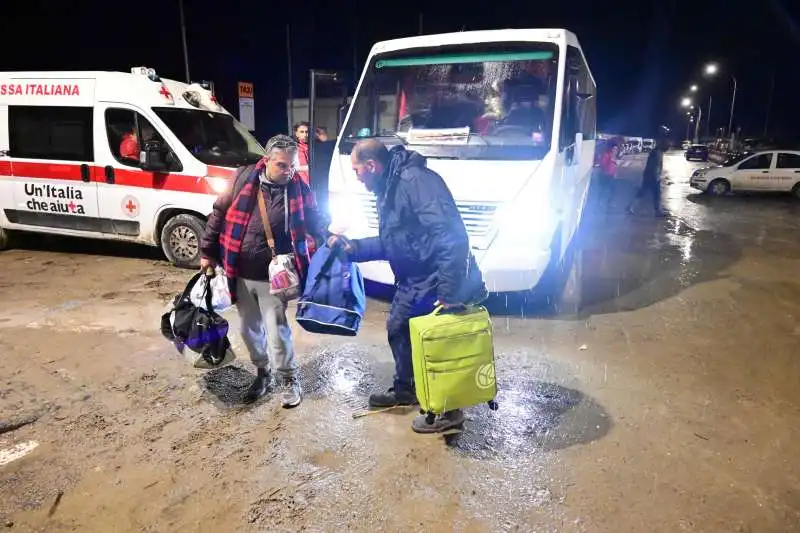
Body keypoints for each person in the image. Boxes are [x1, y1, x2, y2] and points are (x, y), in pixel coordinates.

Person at [329, 139, 487, 434]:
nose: (357, 176)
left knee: (437, 344)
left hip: (435, 277)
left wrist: (449, 292)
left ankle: (448, 411)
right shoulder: (387, 187)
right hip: (413, 279)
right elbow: (398, 242)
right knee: (398, 329)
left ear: (372, 166)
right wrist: (355, 249)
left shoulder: (416, 182)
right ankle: (407, 390)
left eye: (357, 170)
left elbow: (452, 237)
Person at [199, 134, 329, 407]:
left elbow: (316, 221)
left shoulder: (299, 188)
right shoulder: (242, 179)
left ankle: (288, 378)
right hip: (240, 271)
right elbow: (217, 216)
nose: (288, 171)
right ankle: (262, 372)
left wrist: (326, 240)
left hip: (275, 278)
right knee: (248, 330)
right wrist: (207, 253)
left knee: (277, 331)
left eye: (292, 165)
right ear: (267, 161)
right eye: (282, 165)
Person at [627, 137, 666, 217]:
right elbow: (654, 166)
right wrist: (656, 176)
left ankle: (630, 206)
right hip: (652, 176)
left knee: (643, 192)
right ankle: (657, 211)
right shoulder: (657, 152)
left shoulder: (658, 152)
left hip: (650, 176)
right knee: (655, 194)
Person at [596, 141, 618, 210]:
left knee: (613, 190)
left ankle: (610, 202)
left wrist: (615, 173)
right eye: (614, 149)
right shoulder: (606, 154)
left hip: (611, 175)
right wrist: (609, 161)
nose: (615, 150)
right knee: (604, 190)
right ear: (611, 148)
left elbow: (614, 166)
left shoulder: (613, 155)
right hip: (605, 175)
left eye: (616, 149)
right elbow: (602, 164)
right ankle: (599, 203)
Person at [291, 122, 311, 187]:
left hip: (314, 181)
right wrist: (311, 167)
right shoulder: (293, 149)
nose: (305, 134)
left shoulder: (312, 147)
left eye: (307, 132)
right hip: (301, 183)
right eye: (302, 132)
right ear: (297, 134)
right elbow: (292, 168)